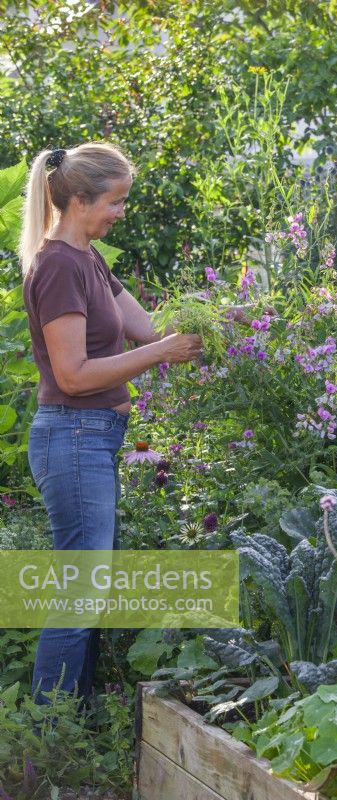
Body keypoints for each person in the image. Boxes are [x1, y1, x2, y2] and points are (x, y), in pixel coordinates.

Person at [20, 142, 203, 704]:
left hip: (92, 440)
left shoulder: (89, 259)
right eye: (115, 202)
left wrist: (212, 318)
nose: (121, 212)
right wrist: (162, 354)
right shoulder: (56, 267)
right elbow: (73, 375)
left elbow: (149, 330)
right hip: (73, 436)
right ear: (78, 200)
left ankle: (72, 721)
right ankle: (49, 733)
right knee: (78, 597)